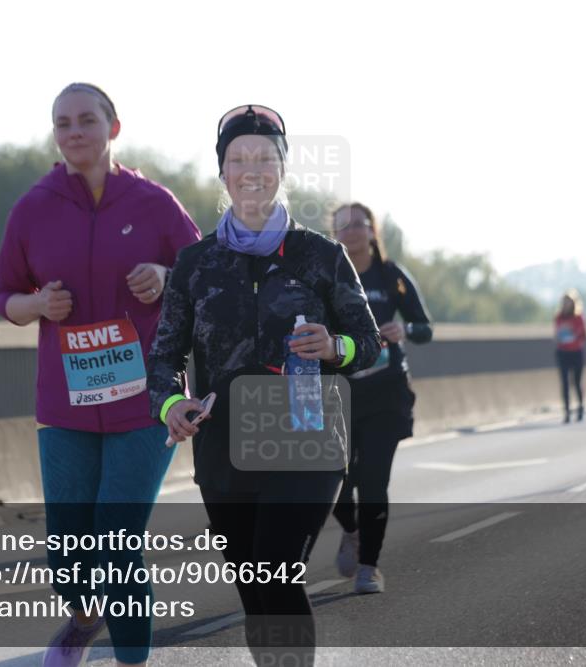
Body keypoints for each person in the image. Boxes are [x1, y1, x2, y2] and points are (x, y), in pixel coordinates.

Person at [147, 105, 381, 665]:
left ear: (283, 167)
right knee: (257, 591)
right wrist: (172, 405)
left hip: (307, 441)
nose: (251, 168)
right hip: (225, 448)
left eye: (264, 157)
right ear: (222, 173)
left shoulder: (321, 256)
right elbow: (163, 358)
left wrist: (334, 347)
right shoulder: (195, 263)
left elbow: (367, 343)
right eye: (238, 158)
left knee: (277, 573)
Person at [0, 82, 201, 667]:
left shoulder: (153, 202)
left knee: (115, 543)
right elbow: (5, 294)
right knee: (67, 553)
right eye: (63, 123)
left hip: (146, 400)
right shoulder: (32, 207)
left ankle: (132, 659)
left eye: (87, 120)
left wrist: (163, 274)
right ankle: (84, 616)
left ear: (113, 127)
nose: (74, 131)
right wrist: (36, 306)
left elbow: (202, 274)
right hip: (66, 405)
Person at [328, 202, 432, 594]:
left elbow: (425, 328)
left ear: (372, 231)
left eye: (359, 224)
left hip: (386, 391)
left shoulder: (392, 276)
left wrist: (404, 329)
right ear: (334, 233)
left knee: (373, 480)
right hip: (339, 393)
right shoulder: (326, 271)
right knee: (333, 480)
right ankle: (352, 531)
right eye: (343, 226)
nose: (351, 231)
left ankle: (369, 566)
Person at [554, 289, 586, 423]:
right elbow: (557, 334)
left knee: (576, 381)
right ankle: (566, 411)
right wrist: (559, 338)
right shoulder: (558, 318)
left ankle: (580, 406)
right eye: (564, 302)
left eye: (569, 302)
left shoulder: (578, 318)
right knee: (565, 382)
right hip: (563, 352)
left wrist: (574, 336)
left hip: (576, 352)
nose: (566, 304)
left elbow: (584, 335)